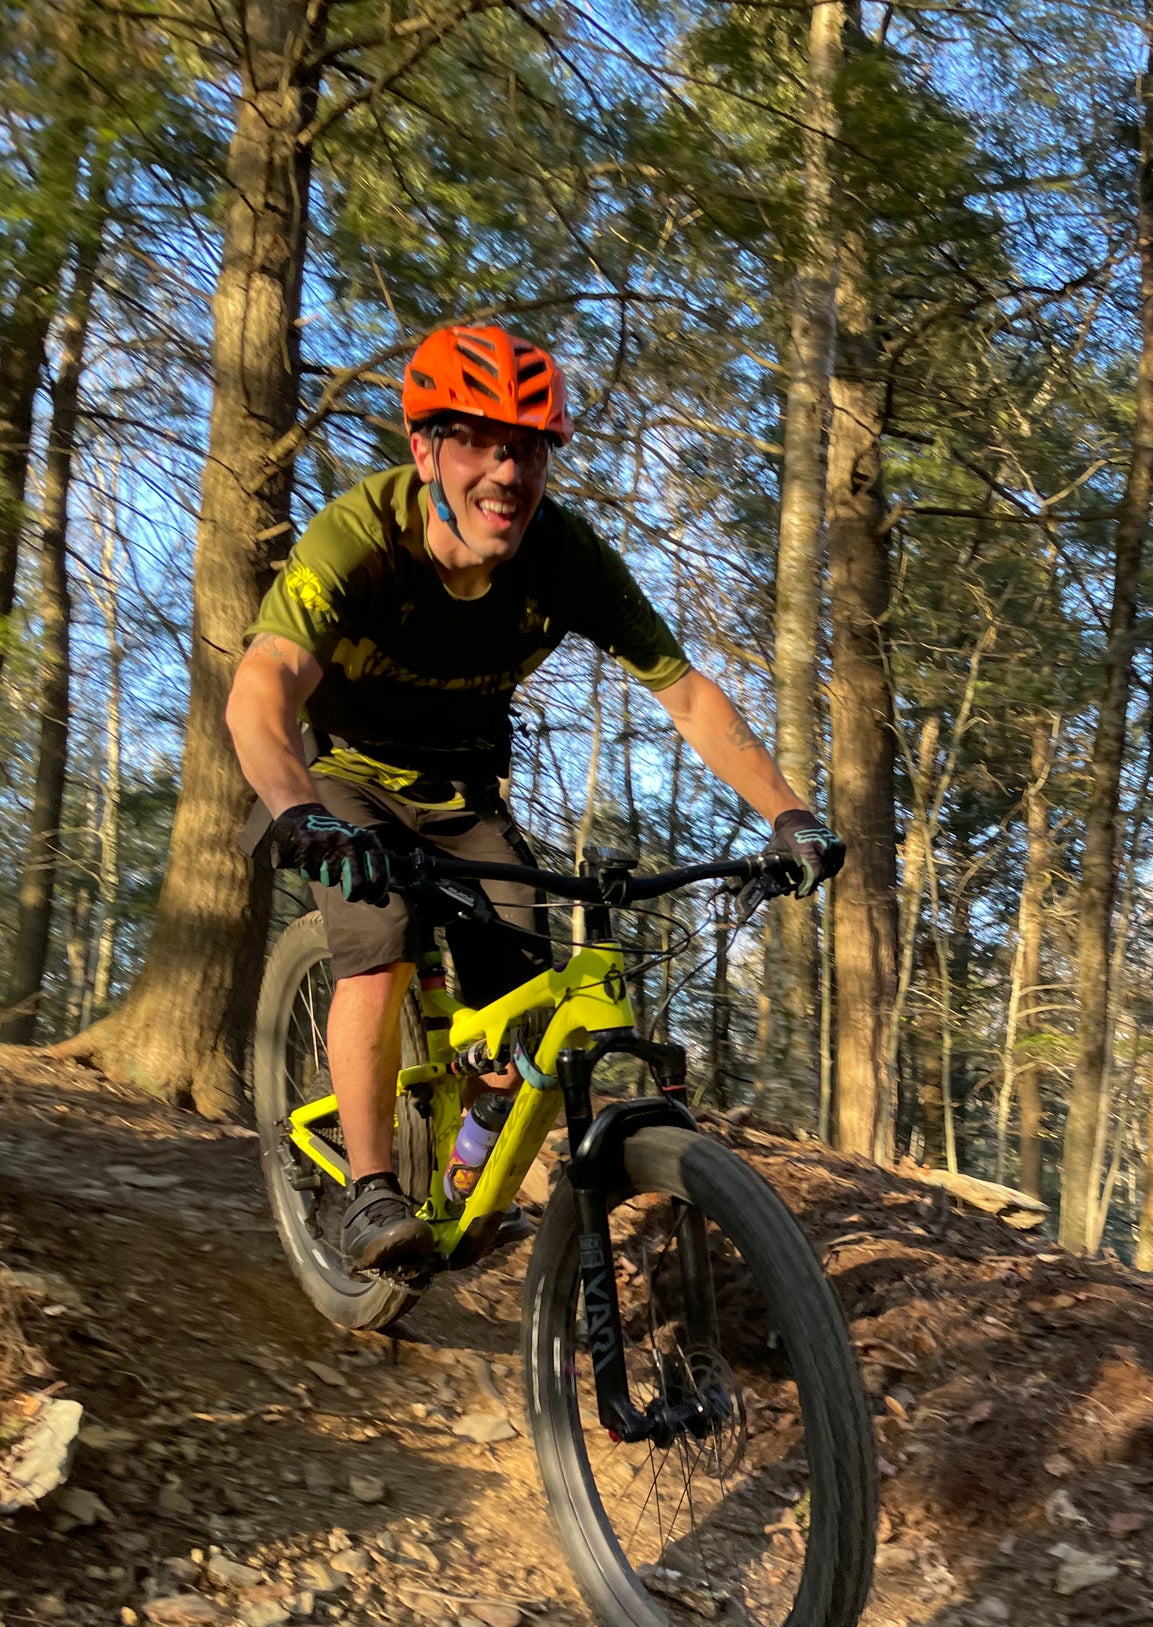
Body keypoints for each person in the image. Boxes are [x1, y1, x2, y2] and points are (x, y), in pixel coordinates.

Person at [227, 321, 844, 1271]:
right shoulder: (362, 537)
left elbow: (683, 692)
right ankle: (368, 1189)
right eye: (477, 441)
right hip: (342, 776)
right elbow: (263, 682)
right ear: (425, 448)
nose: (505, 473)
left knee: (522, 1003)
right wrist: (296, 805)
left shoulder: (563, 557)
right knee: (377, 946)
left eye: (527, 449)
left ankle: (470, 1173)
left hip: (464, 789)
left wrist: (789, 812)